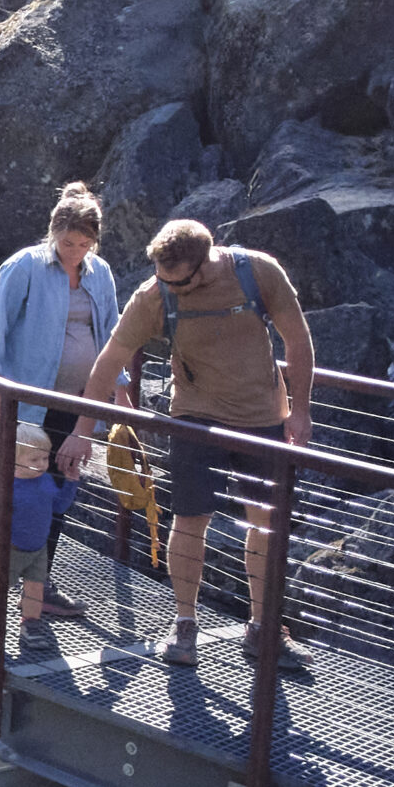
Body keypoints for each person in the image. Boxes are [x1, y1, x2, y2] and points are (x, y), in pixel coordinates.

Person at [79, 218, 317, 670]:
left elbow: (297, 338)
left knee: (265, 523)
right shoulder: (155, 294)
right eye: (163, 279)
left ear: (205, 264)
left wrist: (301, 410)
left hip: (263, 419)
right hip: (194, 421)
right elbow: (108, 360)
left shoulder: (257, 272)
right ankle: (184, 623)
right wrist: (80, 431)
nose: (169, 288)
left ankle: (265, 628)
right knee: (189, 520)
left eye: (178, 282)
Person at [0, 184, 121, 622]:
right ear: (54, 234)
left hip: (74, 405)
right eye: (68, 243)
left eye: (84, 245)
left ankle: (38, 588)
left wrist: (118, 388)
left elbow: (112, 334)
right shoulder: (25, 266)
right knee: (5, 491)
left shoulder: (99, 272)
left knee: (55, 491)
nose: (75, 252)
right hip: (21, 404)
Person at [0, 421, 81, 653]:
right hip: (9, 548)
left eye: (44, 458)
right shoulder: (10, 487)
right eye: (34, 460)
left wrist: (71, 483)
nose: (42, 464)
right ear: (14, 461)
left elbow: (59, 506)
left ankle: (30, 624)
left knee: (35, 588)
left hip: (38, 550)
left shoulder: (46, 481)